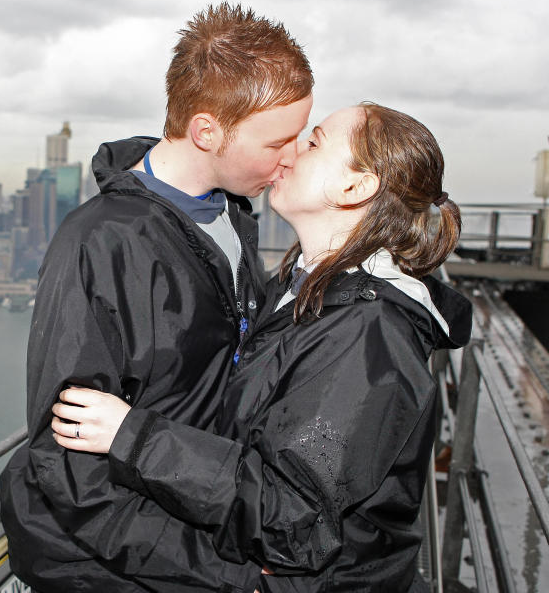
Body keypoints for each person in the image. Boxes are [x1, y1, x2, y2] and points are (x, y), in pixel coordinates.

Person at [51, 103, 472, 592]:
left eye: (313, 143)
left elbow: (291, 518)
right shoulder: (301, 292)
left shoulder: (368, 334)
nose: (290, 154)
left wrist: (133, 436)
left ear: (355, 187)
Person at [0, 3, 313, 592]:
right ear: (206, 131)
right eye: (280, 140)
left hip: (194, 520)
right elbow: (70, 468)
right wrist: (223, 570)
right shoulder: (98, 244)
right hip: (109, 568)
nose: (293, 156)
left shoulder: (232, 215)